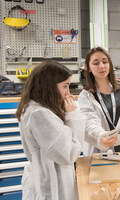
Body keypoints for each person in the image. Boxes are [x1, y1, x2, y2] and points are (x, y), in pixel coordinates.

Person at [16, 60, 85, 200]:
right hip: (52, 187)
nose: (67, 93)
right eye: (64, 86)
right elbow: (68, 154)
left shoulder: (40, 109)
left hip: (51, 181)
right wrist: (72, 115)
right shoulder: (39, 114)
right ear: (49, 86)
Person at [78, 46, 120, 156]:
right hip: (102, 150)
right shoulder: (86, 96)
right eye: (96, 63)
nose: (102, 66)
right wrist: (101, 136)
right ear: (88, 67)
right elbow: (89, 123)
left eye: (105, 61)